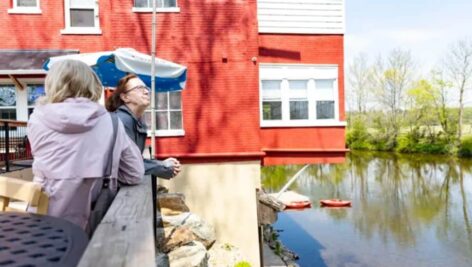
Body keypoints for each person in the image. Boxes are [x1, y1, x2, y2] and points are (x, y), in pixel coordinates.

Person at [27, 60, 144, 230]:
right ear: (92, 84)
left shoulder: (37, 119)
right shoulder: (111, 122)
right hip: (91, 227)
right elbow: (134, 174)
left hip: (42, 223)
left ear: (52, 84)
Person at [105, 74, 181, 179]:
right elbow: (128, 166)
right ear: (125, 97)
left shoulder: (135, 120)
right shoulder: (123, 121)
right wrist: (163, 167)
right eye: (139, 88)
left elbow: (135, 160)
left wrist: (162, 164)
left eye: (146, 88)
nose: (146, 92)